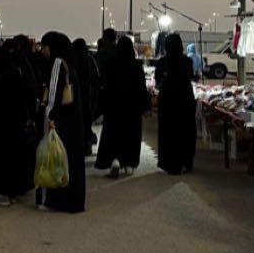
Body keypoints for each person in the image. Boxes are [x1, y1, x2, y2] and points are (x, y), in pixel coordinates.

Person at [0, 43, 37, 205]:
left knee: (3, 160)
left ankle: (5, 194)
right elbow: (22, 100)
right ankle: (15, 190)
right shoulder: (15, 73)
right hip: (16, 125)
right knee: (15, 159)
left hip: (2, 126)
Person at [37, 31, 86, 213]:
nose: (42, 51)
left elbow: (53, 96)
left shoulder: (57, 64)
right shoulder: (70, 65)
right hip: (72, 122)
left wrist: (49, 116)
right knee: (70, 161)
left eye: (44, 47)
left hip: (61, 123)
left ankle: (54, 200)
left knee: (55, 160)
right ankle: (71, 201)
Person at [94, 36, 149, 178]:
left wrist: (102, 106)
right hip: (132, 107)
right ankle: (129, 164)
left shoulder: (110, 64)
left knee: (113, 134)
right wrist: (144, 106)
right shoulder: (136, 65)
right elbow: (141, 87)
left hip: (114, 106)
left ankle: (114, 160)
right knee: (131, 135)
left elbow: (104, 85)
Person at [156, 33, 197, 175]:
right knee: (185, 131)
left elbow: (158, 82)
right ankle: (186, 161)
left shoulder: (162, 62)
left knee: (168, 132)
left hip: (168, 101)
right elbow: (190, 76)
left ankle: (170, 163)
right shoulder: (187, 61)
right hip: (185, 100)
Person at [72, 37, 100, 156]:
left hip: (74, 96)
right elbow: (96, 77)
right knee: (86, 122)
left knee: (76, 123)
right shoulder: (89, 59)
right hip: (88, 96)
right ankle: (87, 146)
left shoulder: (72, 59)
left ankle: (77, 147)